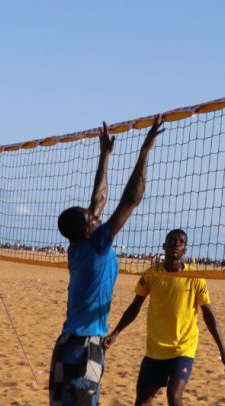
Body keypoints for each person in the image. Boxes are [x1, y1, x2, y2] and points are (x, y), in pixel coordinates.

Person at [49, 117, 164, 406]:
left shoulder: (77, 247)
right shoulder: (97, 247)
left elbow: (97, 201)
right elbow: (132, 199)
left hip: (66, 344)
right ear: (89, 229)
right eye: (92, 219)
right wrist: (144, 151)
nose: (96, 216)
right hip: (85, 347)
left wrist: (104, 156)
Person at [104, 229, 225, 406]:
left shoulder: (195, 278)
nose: (176, 244)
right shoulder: (151, 274)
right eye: (172, 241)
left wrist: (223, 351)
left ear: (185, 250)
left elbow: (208, 314)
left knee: (174, 397)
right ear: (164, 246)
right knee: (142, 402)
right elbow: (135, 306)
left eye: (180, 242)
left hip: (183, 348)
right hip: (155, 349)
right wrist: (116, 332)